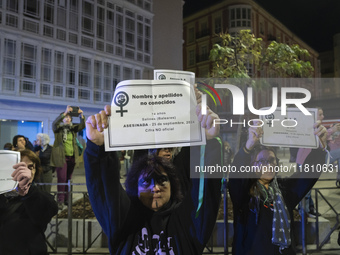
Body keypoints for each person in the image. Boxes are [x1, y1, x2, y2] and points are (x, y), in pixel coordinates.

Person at [84, 104, 222, 254]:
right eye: (146, 181)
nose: (155, 188)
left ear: (173, 186)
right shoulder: (122, 222)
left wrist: (208, 143)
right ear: (135, 186)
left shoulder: (188, 224)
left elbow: (208, 190)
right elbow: (104, 189)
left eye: (162, 180)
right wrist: (97, 148)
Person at [228, 121, 327, 255]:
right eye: (261, 161)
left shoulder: (283, 189)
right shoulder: (244, 192)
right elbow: (236, 176)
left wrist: (319, 149)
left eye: (271, 160)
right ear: (251, 165)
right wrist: (248, 147)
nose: (268, 164)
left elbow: (306, 175)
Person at [0, 149, 58, 254]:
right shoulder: (3, 197)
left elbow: (43, 214)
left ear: (36, 172)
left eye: (30, 167)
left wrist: (27, 191)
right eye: (20, 167)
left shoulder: (42, 197)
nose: (25, 172)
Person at [51, 105, 85, 209]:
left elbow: (82, 126)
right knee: (62, 178)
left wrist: (81, 115)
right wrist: (65, 113)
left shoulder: (73, 129)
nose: (67, 119)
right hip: (61, 157)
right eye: (66, 117)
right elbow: (54, 123)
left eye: (69, 117)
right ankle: (60, 200)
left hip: (72, 157)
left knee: (68, 179)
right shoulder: (58, 129)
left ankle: (67, 199)